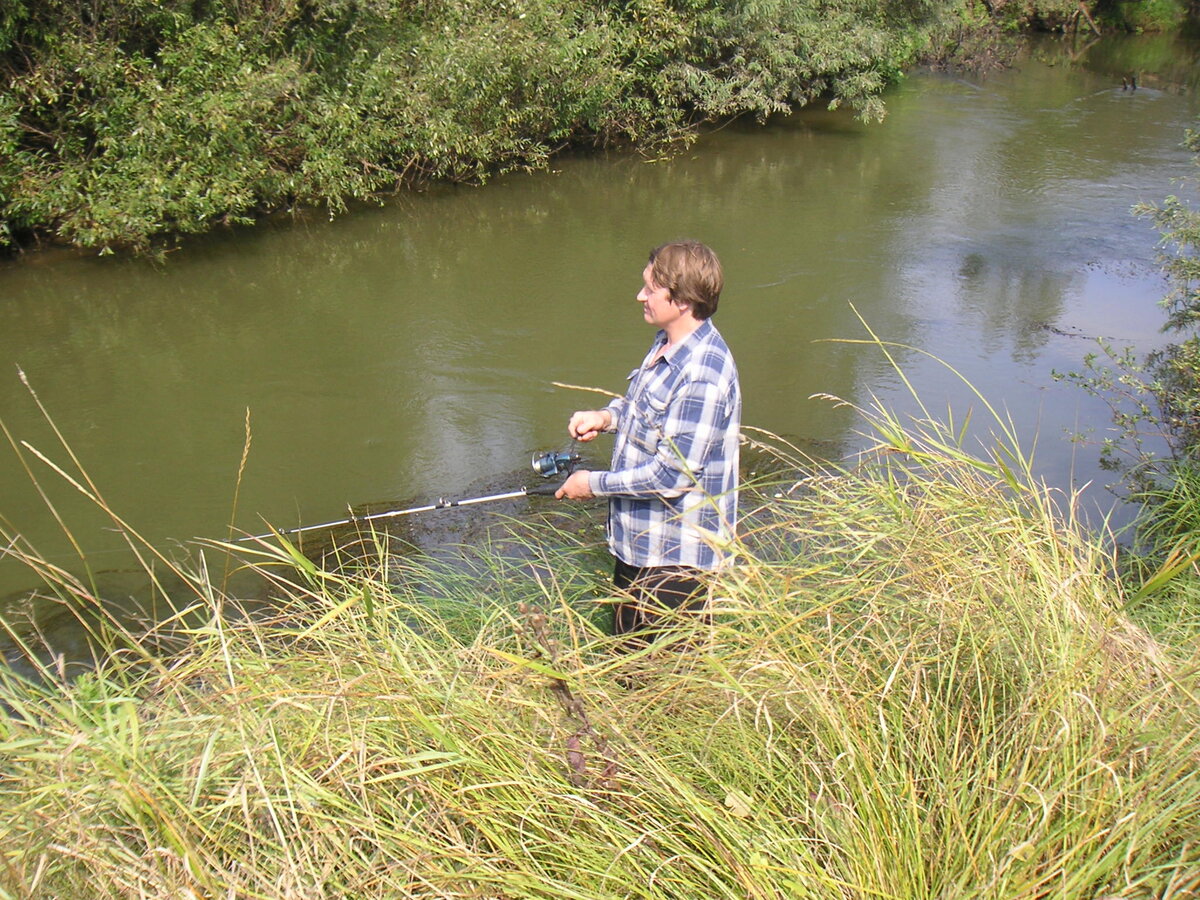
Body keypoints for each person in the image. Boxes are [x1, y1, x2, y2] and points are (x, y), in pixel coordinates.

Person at [555, 240, 741, 639]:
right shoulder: (667, 343)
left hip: (676, 563)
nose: (640, 295)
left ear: (683, 299)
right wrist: (605, 418)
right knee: (627, 671)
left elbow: (671, 477)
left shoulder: (703, 373)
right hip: (640, 548)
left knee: (666, 689)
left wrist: (592, 484)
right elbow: (646, 412)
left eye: (651, 289)